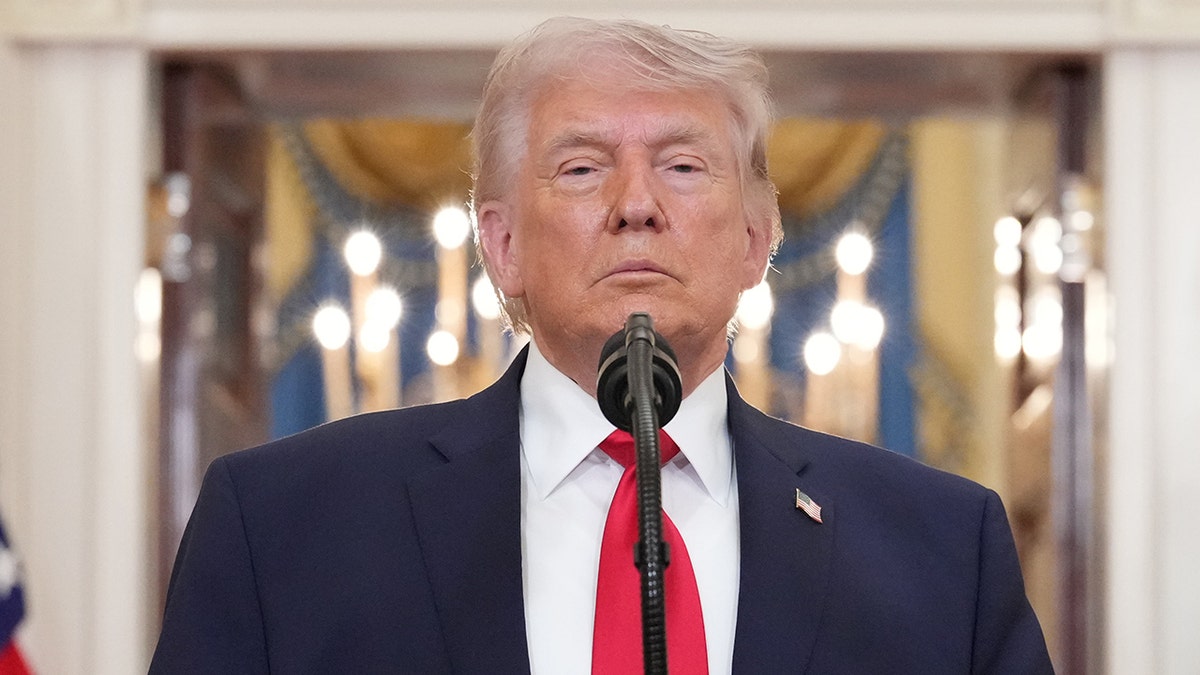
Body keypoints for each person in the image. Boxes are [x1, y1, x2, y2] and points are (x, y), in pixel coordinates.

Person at [150, 16, 1053, 674]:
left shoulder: (941, 551)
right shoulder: (281, 528)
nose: (636, 203)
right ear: (499, 243)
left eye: (684, 165)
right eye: (582, 166)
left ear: (756, 238)